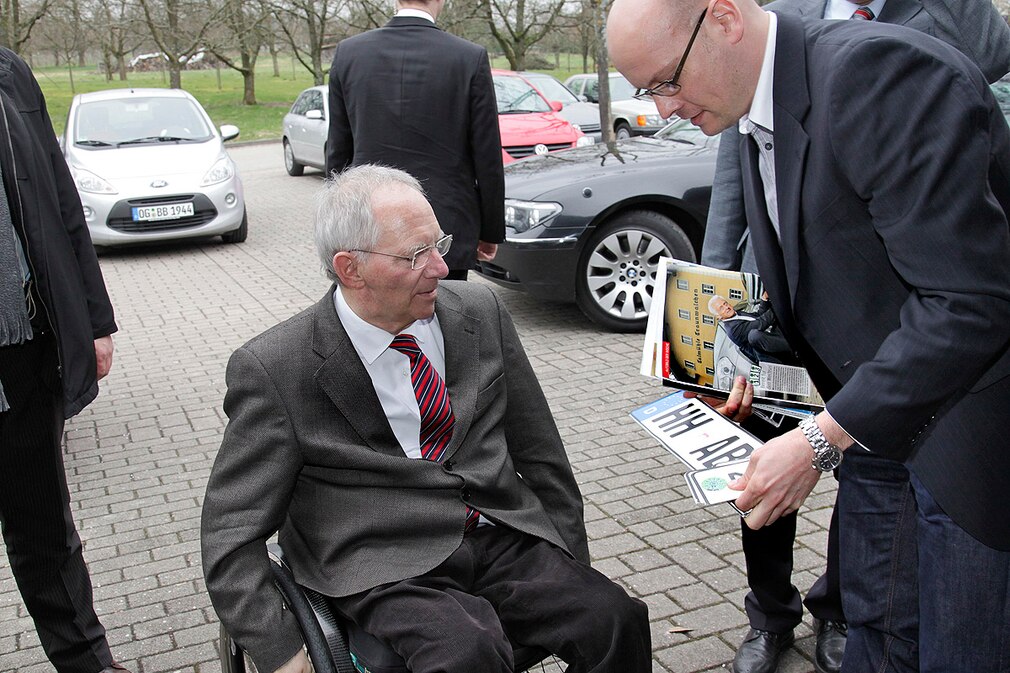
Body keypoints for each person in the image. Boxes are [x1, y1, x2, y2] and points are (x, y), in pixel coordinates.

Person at [608, 3, 1010, 673]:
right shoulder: (743, 103)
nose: (664, 107)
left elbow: (971, 301)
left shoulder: (880, 76)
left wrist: (820, 438)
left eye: (667, 80)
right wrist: (749, 360)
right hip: (881, 437)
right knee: (876, 642)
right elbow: (833, 267)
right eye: (648, 91)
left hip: (966, 447)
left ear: (725, 19)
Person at [201, 165, 651, 673]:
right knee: (467, 653)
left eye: (440, 243)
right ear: (351, 268)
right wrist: (280, 647)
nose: (441, 266)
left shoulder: (479, 312)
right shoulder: (276, 367)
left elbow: (542, 454)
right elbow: (229, 532)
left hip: (497, 530)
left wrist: (571, 559)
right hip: (379, 558)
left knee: (614, 618)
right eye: (418, 255)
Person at [0, 48, 127, 673]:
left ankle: (88, 662)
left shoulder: (8, 72)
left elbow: (57, 193)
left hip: (18, 346)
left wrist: (94, 320)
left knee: (44, 530)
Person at [325, 0, 504, 280]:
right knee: (446, 320)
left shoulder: (349, 53)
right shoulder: (469, 57)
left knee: (377, 322)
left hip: (371, 230)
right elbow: (487, 157)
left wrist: (335, 229)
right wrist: (490, 230)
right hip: (446, 231)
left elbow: (338, 152)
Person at [708, 294, 792, 364]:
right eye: (721, 308)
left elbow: (758, 316)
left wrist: (764, 298)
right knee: (754, 335)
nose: (726, 307)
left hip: (773, 336)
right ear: (719, 317)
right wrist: (779, 305)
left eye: (725, 303)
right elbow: (761, 323)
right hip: (770, 354)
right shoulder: (733, 330)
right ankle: (795, 345)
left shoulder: (737, 314)